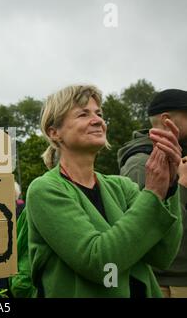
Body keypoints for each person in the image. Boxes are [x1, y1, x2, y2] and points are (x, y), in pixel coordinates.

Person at [26, 85, 182, 297]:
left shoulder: (121, 186)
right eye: (83, 114)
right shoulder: (45, 189)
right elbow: (100, 264)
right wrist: (153, 193)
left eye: (99, 113)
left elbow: (162, 255)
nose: (98, 120)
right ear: (54, 132)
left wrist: (170, 187)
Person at [117, 89, 187, 298]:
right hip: (167, 284)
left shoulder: (179, 158)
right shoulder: (140, 164)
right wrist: (181, 187)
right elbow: (142, 231)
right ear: (167, 121)